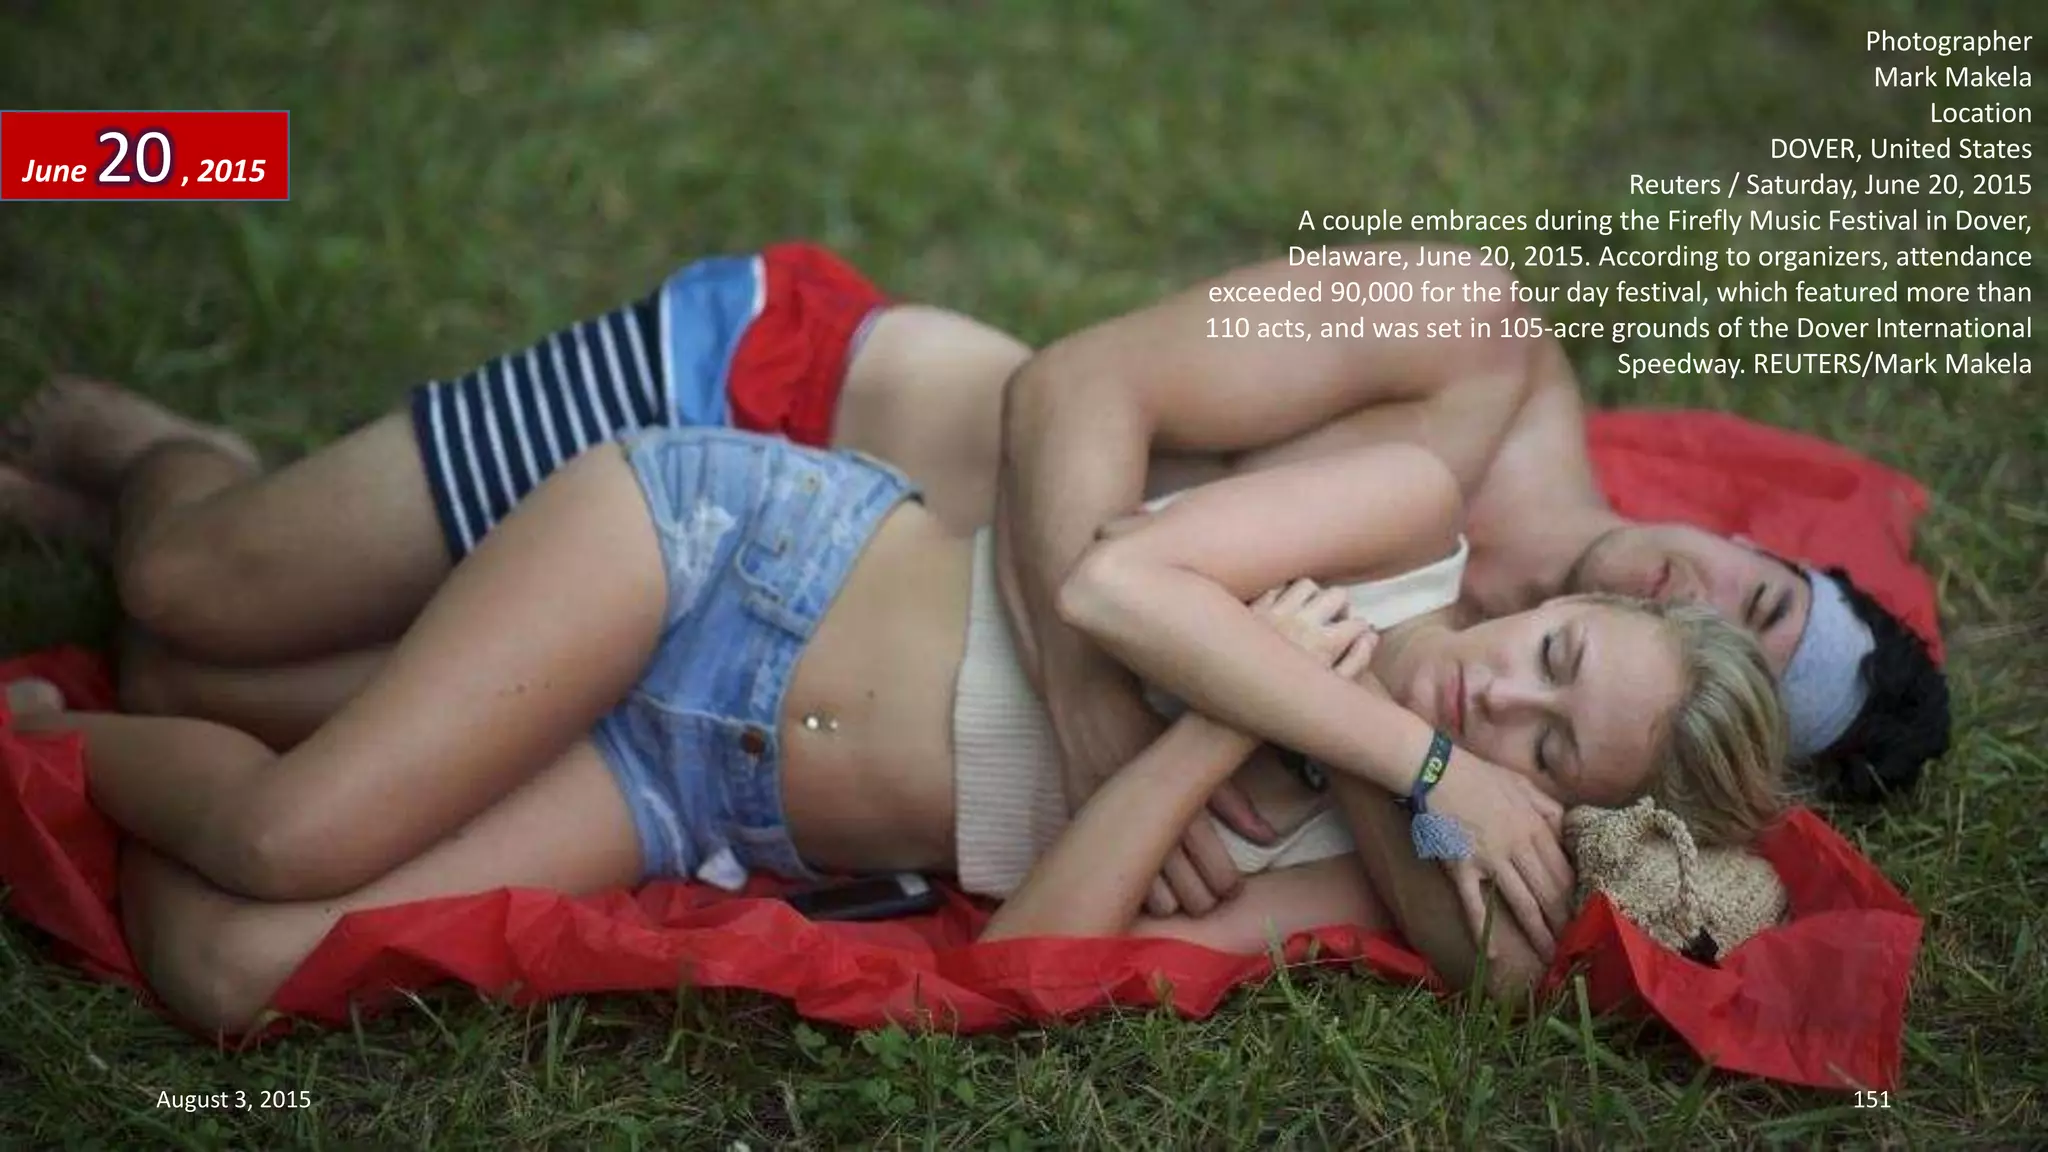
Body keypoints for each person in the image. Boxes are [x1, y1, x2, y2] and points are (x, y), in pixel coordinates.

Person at [0, 240, 1943, 915]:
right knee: (200, 593)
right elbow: (1072, 390)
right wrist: (1105, 739)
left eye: (1744, 658)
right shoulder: (1465, 339)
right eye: (1765, 590)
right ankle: (168, 458)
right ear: (1738, 556)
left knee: (212, 707)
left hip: (806, 643)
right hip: (756, 405)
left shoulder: (1525, 691)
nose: (1705, 594)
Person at [2, 427, 1788, 1036]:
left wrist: (1251, 749)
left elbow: (1020, 962)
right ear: (1558, 595)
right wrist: (1415, 751)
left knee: (237, 970)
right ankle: (132, 567)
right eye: (1557, 653)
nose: (1506, 700)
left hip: (700, 793)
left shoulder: (1348, 874)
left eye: (1555, 747)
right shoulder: (1402, 525)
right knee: (291, 830)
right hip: (721, 563)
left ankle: (110, 713)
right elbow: (1114, 586)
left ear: (1561, 810)